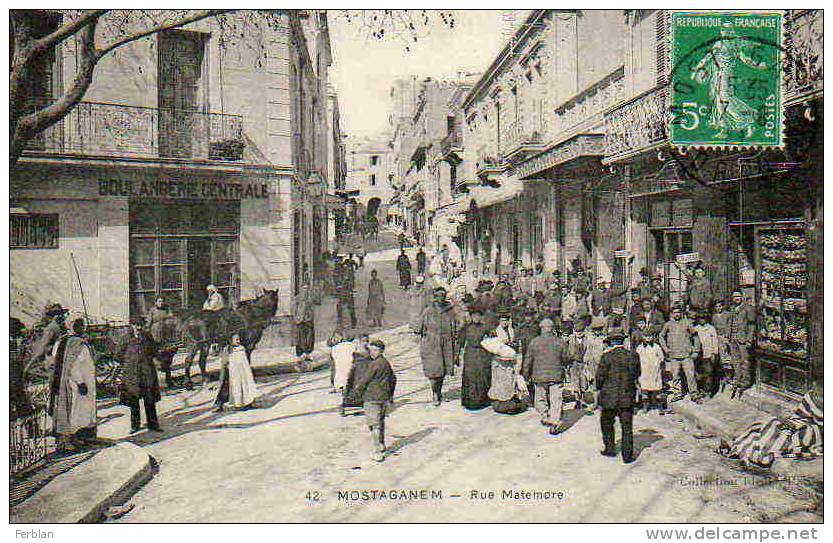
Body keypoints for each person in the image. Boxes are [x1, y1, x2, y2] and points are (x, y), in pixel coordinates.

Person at [718, 388, 823, 469]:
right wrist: (791, 422)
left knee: (785, 435)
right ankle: (743, 447)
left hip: (815, 431)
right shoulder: (813, 393)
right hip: (800, 422)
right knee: (771, 423)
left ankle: (760, 454)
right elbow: (800, 414)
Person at [48, 318, 97, 451]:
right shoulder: (77, 343)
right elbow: (73, 365)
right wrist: (80, 382)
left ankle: (73, 437)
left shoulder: (62, 341)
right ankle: (66, 440)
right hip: (74, 383)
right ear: (71, 326)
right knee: (72, 411)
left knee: (71, 410)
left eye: (82, 325)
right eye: (78, 325)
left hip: (64, 381)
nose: (82, 327)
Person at [596, 330, 640, 464]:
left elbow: (600, 377)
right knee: (627, 426)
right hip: (627, 396)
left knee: (607, 423)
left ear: (611, 342)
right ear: (623, 341)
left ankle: (610, 449)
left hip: (609, 397)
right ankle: (627, 456)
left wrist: (599, 388)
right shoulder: (633, 356)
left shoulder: (606, 357)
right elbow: (637, 373)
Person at [350, 339, 397, 462]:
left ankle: (377, 451)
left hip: (371, 397)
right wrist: (390, 395)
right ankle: (381, 444)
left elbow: (364, 380)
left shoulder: (374, 364)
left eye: (375, 350)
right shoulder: (386, 363)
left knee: (374, 425)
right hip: (383, 397)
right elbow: (393, 379)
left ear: (381, 351)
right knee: (380, 422)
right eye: (371, 350)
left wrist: (355, 392)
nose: (372, 353)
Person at [522, 318, 566, 435]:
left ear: (541, 329)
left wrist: (526, 375)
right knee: (556, 399)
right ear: (552, 329)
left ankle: (545, 416)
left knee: (540, 399)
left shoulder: (534, 342)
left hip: (539, 376)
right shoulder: (560, 341)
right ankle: (555, 422)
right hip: (556, 376)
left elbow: (528, 360)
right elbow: (567, 357)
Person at [414, 288, 455, 406]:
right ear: (434, 298)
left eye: (443, 296)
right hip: (431, 343)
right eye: (438, 296)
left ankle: (439, 391)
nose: (440, 299)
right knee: (434, 370)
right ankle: (435, 393)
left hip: (446, 342)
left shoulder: (450, 310)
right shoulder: (428, 311)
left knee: (443, 370)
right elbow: (418, 328)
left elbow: (457, 324)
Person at [121, 318, 162, 433]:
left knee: (149, 399)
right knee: (133, 400)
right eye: (136, 325)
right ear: (131, 326)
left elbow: (154, 351)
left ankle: (153, 424)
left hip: (147, 373)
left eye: (140, 325)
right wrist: (130, 364)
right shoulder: (126, 339)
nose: (138, 328)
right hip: (132, 374)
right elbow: (118, 354)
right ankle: (135, 425)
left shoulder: (148, 337)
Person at [481, 327, 526, 415]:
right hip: (501, 363)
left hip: (506, 362)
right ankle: (505, 404)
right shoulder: (495, 340)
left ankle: (505, 403)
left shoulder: (511, 331)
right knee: (501, 384)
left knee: (506, 383)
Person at [659, 305, 700, 402]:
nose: (676, 314)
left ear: (681, 313)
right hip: (674, 355)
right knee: (675, 375)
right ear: (672, 314)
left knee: (690, 375)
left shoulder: (687, 323)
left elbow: (695, 336)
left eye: (678, 312)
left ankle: (694, 393)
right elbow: (661, 336)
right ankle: (677, 393)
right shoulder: (668, 324)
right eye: (674, 313)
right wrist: (666, 349)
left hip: (686, 355)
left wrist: (695, 351)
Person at [459, 307, 492, 410]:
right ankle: (470, 401)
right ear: (471, 316)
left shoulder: (485, 327)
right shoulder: (466, 328)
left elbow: (492, 340)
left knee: (483, 376)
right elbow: (460, 341)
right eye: (474, 316)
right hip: (470, 354)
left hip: (483, 353)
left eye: (478, 316)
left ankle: (483, 400)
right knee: (471, 376)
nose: (476, 318)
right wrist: (457, 355)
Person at [217, 333, 258, 410]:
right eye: (236, 340)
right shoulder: (228, 349)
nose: (238, 341)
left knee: (245, 387)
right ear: (231, 340)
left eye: (239, 339)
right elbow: (225, 362)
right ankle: (237, 404)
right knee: (236, 387)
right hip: (234, 373)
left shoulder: (242, 348)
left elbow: (245, 360)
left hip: (243, 372)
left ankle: (247, 402)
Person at [727, 290, 756, 399]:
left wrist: (749, 339)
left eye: (738, 296)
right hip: (733, 339)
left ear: (742, 297)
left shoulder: (748, 308)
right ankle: (737, 380)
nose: (736, 298)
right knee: (735, 361)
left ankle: (745, 382)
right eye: (734, 297)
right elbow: (729, 323)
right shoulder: (732, 309)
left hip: (743, 339)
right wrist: (728, 336)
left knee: (745, 361)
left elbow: (752, 325)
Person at [636, 326, 665, 414]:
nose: (648, 338)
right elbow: (637, 358)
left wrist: (657, 364)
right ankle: (645, 406)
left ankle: (659, 406)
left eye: (650, 336)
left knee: (657, 388)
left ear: (653, 337)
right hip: (644, 371)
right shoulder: (640, 347)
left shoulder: (656, 346)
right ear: (643, 337)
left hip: (655, 371)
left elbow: (661, 357)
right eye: (646, 336)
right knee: (644, 388)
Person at [693, 311, 721, 397]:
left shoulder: (711, 328)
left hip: (709, 354)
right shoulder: (696, 328)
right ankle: (702, 389)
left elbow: (715, 341)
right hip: (700, 355)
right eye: (700, 319)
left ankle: (709, 391)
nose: (702, 320)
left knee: (709, 373)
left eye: (704, 318)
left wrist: (714, 353)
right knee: (700, 373)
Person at [582, 318, 606, 414]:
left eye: (599, 329)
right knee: (594, 385)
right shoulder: (590, 339)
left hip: (602, 364)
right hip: (593, 364)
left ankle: (603, 404)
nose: (597, 331)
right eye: (595, 329)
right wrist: (586, 362)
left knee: (603, 385)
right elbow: (588, 351)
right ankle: (595, 403)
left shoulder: (604, 339)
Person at [293, 273, 315, 370]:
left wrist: (310, 317)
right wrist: (296, 318)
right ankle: (300, 356)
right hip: (300, 321)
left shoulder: (310, 299)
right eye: (304, 289)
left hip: (308, 321)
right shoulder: (297, 299)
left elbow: (312, 309)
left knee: (309, 338)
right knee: (300, 338)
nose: (305, 291)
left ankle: (307, 354)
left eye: (307, 289)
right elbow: (294, 309)